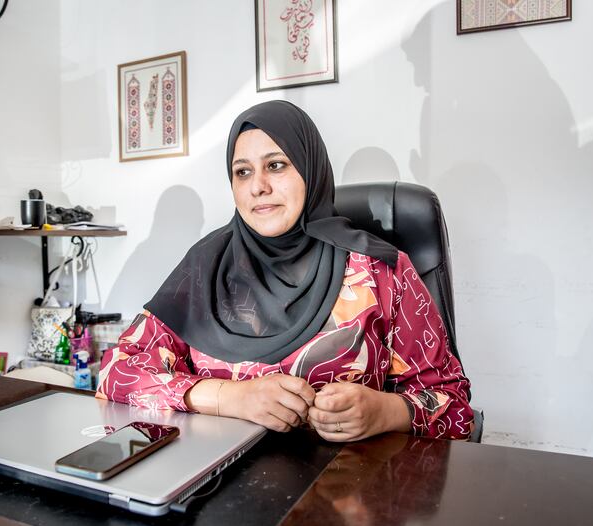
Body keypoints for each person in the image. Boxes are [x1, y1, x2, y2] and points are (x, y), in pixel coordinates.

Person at [97, 100, 473, 441]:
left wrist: (386, 412)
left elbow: (455, 407)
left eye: (276, 166)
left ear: (311, 171)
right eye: (242, 172)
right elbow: (118, 371)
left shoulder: (379, 270)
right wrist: (232, 398)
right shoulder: (205, 266)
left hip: (349, 490)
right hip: (216, 487)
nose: (258, 186)